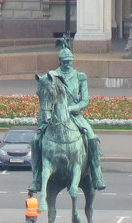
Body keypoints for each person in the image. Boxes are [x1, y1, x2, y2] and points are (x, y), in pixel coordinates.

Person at [29, 47, 106, 192]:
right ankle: (37, 178)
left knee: (92, 138)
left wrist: (71, 109)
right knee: (35, 140)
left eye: (70, 61)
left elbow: (85, 101)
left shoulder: (80, 77)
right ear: (60, 61)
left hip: (75, 115)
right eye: (65, 61)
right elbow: (45, 93)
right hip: (53, 115)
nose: (67, 64)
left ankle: (97, 176)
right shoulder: (52, 76)